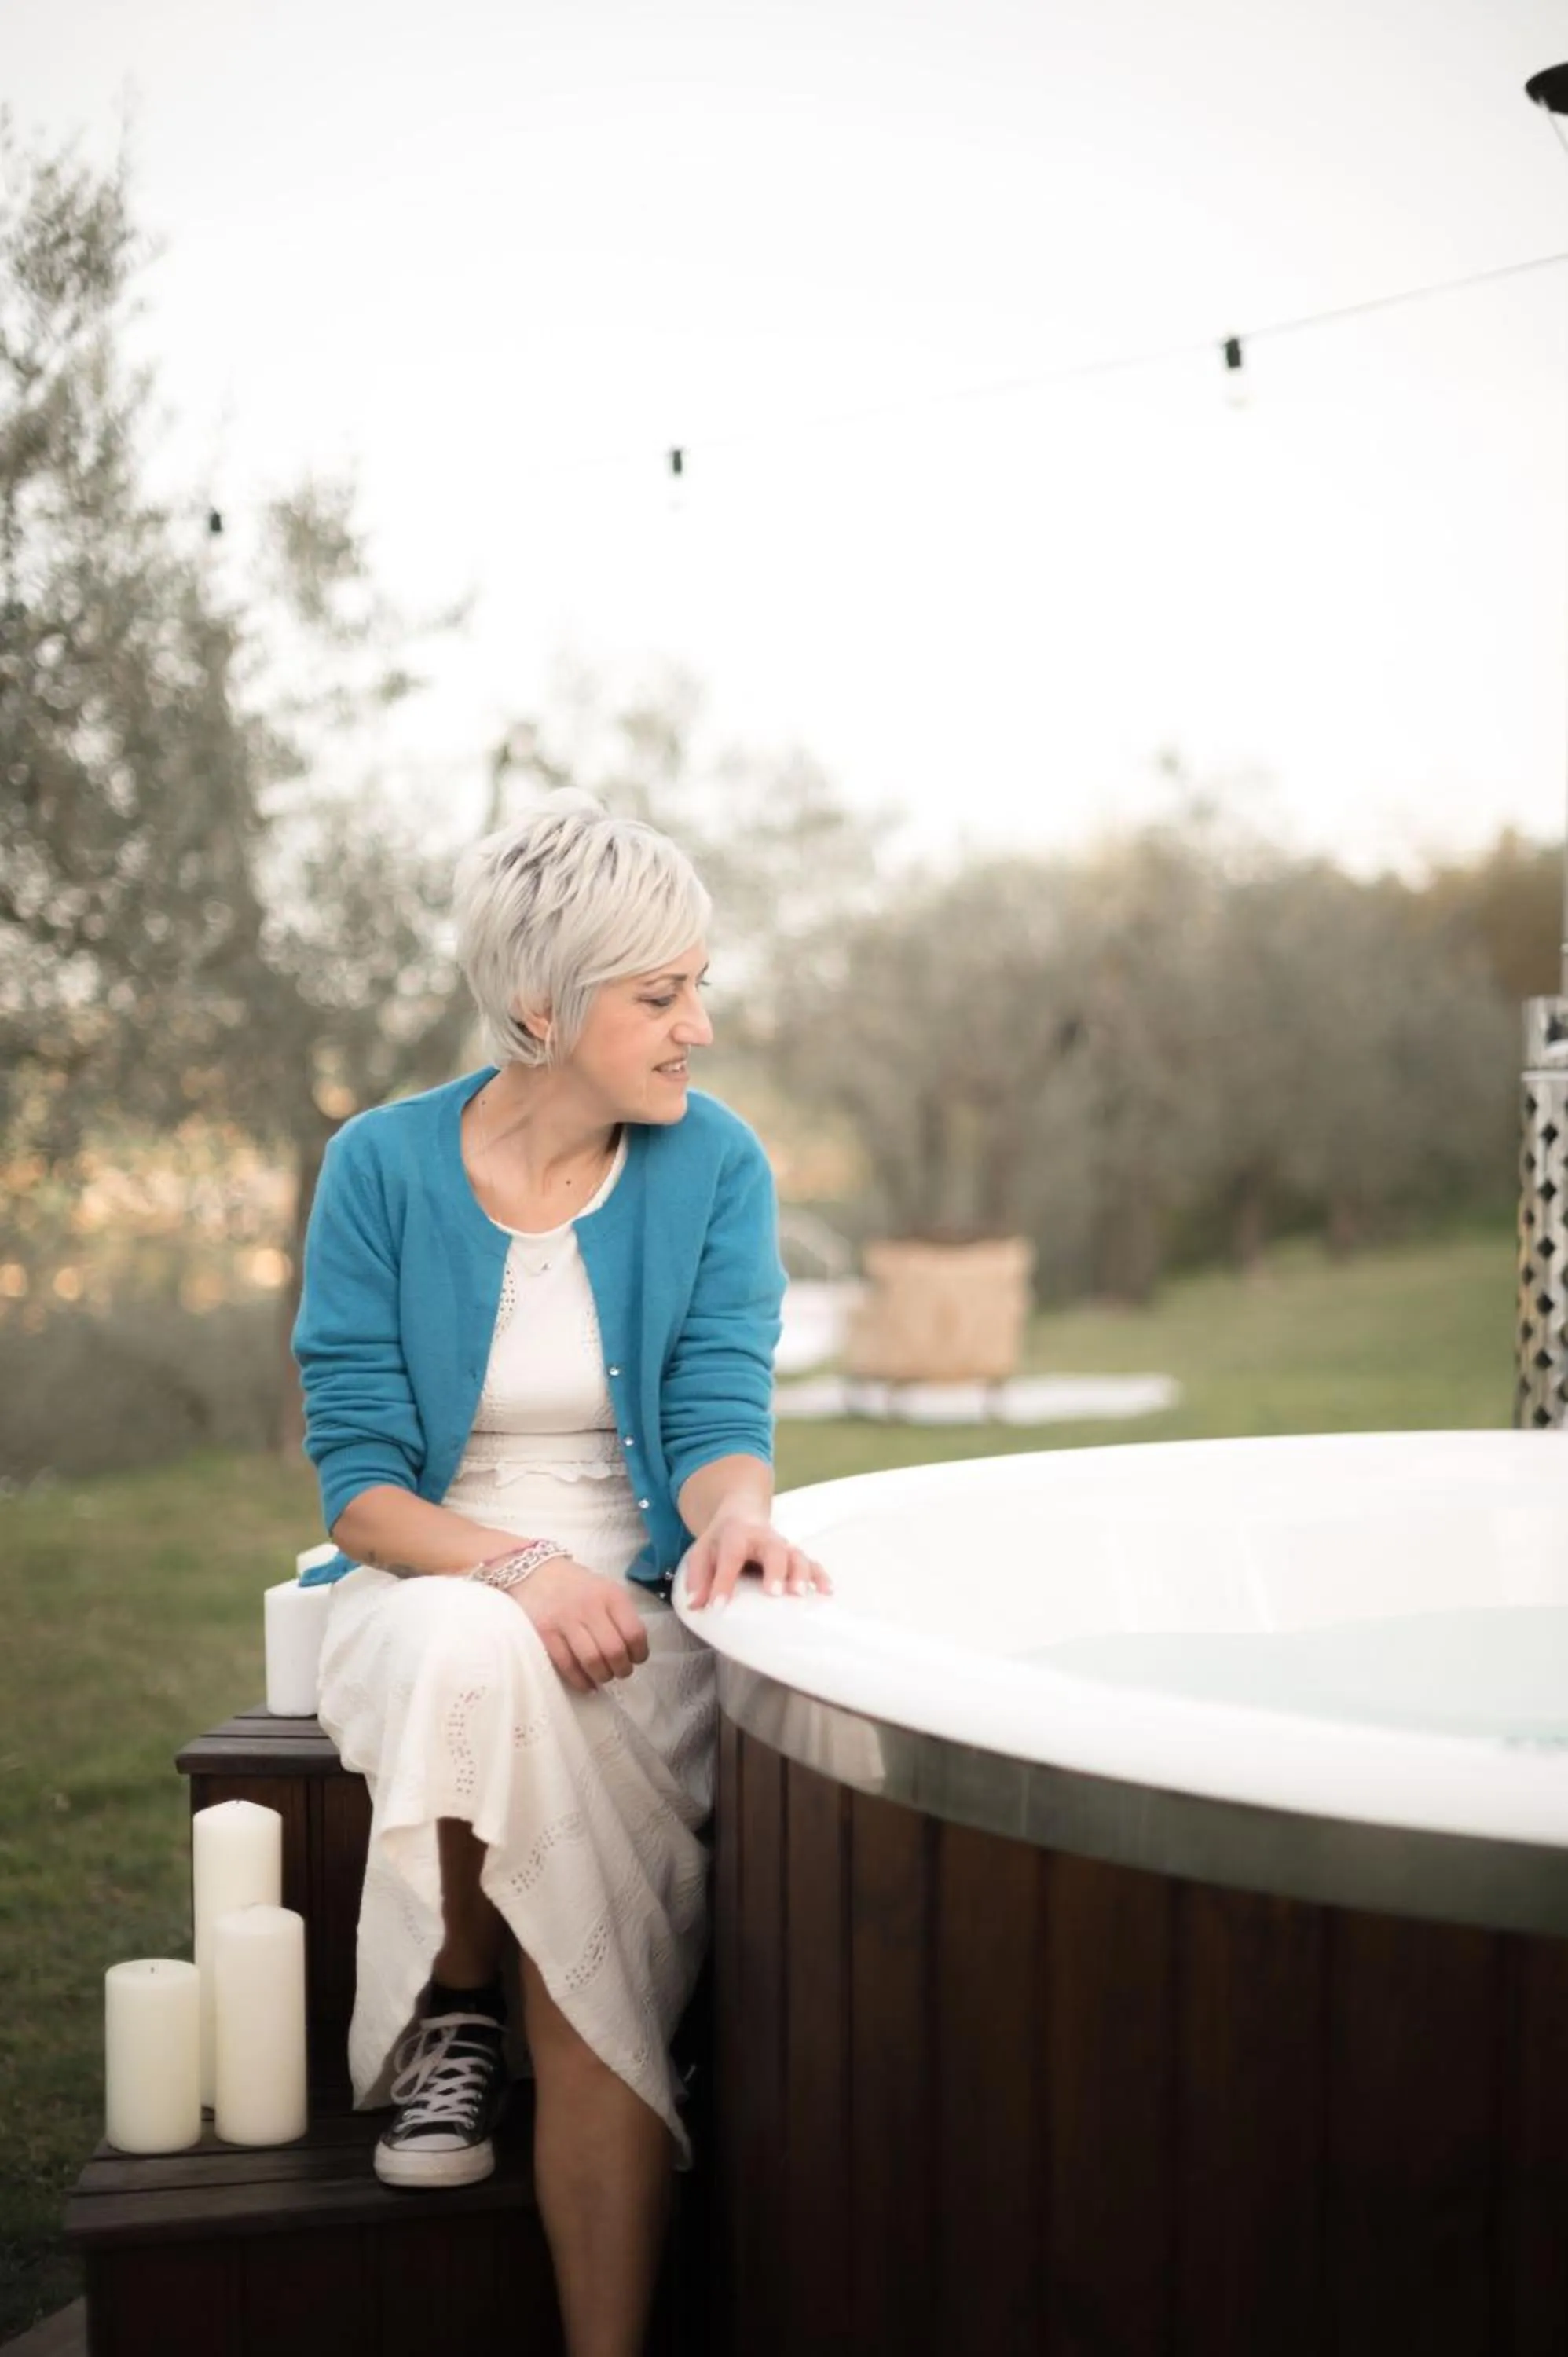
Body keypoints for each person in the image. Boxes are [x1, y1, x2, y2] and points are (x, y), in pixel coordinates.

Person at [291, 795, 829, 2357]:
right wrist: (517, 1565)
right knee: (469, 1646)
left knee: (594, 1971)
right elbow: (365, 1491)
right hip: (431, 1584)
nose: (699, 1028)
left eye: (698, 986)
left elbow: (726, 1411)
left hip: (636, 1615)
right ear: (539, 1005)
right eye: (658, 997)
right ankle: (458, 2000)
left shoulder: (714, 1165)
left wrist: (732, 1514)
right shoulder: (380, 1169)